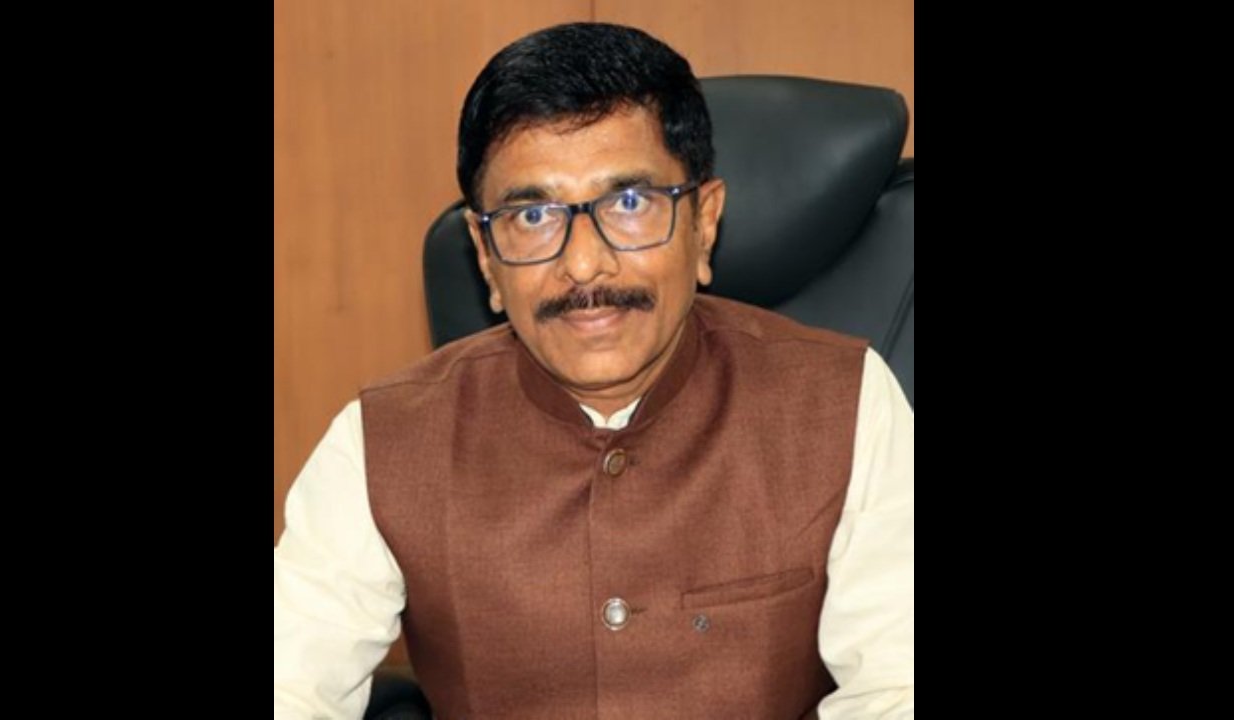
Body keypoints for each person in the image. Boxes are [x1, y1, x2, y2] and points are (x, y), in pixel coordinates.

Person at [275, 22, 913, 720]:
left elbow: (899, 689)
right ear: (485, 257)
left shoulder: (848, 404)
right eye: (533, 216)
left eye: (630, 203)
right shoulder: (382, 443)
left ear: (703, 222)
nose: (583, 265)